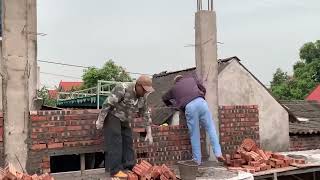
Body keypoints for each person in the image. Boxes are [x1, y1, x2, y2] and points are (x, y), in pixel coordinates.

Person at [96, 75, 154, 178]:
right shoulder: (123, 88)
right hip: (112, 116)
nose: (146, 93)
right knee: (116, 140)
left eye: (147, 91)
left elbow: (145, 114)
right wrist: (100, 120)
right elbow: (107, 104)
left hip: (125, 119)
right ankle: (115, 171)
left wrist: (149, 132)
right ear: (138, 85)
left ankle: (129, 165)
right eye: (144, 90)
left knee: (128, 140)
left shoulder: (143, 97)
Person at [162, 75, 225, 165]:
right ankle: (218, 153)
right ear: (183, 79)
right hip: (202, 102)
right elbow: (203, 88)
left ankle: (197, 160)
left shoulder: (174, 89)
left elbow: (164, 98)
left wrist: (172, 106)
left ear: (176, 82)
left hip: (190, 107)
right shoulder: (191, 79)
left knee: (194, 134)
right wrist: (202, 95)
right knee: (211, 128)